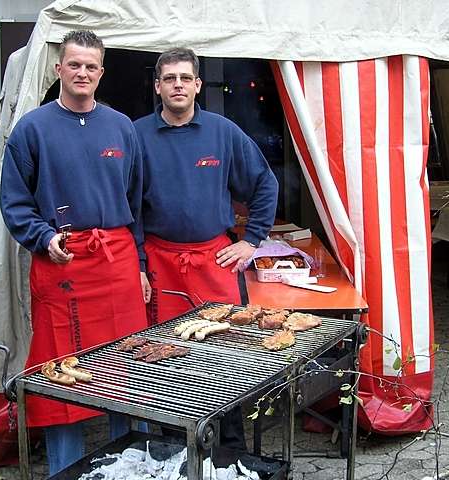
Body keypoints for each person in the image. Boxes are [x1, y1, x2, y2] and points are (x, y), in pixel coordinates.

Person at [0, 30, 151, 476]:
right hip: (60, 261)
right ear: (58, 69)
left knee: (128, 364)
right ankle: (64, 471)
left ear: (101, 73)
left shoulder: (122, 127)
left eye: (91, 66)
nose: (82, 72)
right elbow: (15, 203)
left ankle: (132, 464)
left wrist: (140, 264)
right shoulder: (31, 129)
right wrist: (44, 238)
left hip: (117, 261)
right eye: (74, 64)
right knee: (59, 369)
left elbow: (136, 201)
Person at [134, 48, 278, 449]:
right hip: (162, 263)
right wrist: (140, 264)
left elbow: (266, 184)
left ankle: (230, 453)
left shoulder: (223, 132)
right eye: (169, 78)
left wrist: (252, 240)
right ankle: (174, 454)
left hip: (214, 262)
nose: (177, 85)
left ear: (197, 85)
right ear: (158, 86)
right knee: (165, 361)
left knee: (225, 358)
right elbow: (128, 209)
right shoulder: (136, 135)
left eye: (185, 78)